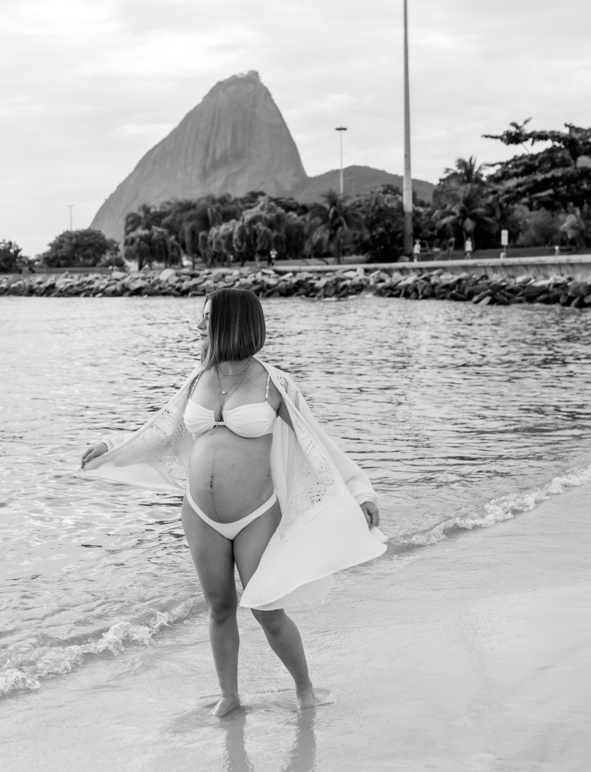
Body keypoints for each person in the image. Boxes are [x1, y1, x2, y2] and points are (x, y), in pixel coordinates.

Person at [80, 289, 386, 717]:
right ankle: (230, 695)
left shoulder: (274, 383)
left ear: (231, 322)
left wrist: (360, 491)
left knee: (266, 609)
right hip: (200, 514)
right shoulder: (198, 378)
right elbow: (161, 432)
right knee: (219, 607)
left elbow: (318, 443)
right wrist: (110, 445)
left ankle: (304, 688)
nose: (199, 325)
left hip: (255, 515)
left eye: (207, 317)